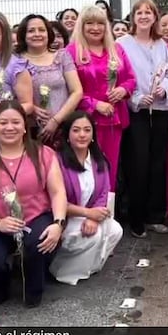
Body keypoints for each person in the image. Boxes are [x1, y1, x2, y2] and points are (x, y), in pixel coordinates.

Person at [0, 100, 67, 307]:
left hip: (35, 217)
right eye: (3, 123)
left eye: (16, 122)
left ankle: (34, 286)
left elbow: (57, 192)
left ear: (25, 127)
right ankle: (2, 280)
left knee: (40, 243)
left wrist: (58, 223)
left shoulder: (43, 154)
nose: (10, 127)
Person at [118, 0, 168, 237]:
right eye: (139, 12)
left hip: (160, 110)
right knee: (138, 163)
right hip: (137, 111)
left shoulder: (161, 43)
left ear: (155, 17)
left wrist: (164, 88)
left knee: (158, 163)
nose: (143, 16)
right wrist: (135, 98)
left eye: (148, 12)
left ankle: (155, 215)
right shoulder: (122, 43)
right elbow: (118, 76)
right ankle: (136, 217)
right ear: (133, 17)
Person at [67, 5, 136, 189]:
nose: (95, 28)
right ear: (81, 26)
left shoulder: (117, 49)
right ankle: (86, 212)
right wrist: (94, 104)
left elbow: (131, 78)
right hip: (85, 121)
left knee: (110, 168)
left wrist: (123, 90)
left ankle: (107, 212)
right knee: (86, 168)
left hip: (114, 120)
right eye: (89, 23)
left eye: (100, 23)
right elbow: (70, 89)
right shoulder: (71, 51)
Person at [50, 111, 123, 284]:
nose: (82, 135)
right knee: (93, 236)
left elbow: (104, 191)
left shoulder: (99, 160)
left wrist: (94, 217)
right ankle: (63, 271)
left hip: (90, 214)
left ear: (92, 135)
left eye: (86, 130)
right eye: (76, 130)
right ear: (67, 135)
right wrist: (88, 213)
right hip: (65, 217)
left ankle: (89, 267)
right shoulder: (57, 161)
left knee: (115, 230)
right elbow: (54, 200)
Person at [16, 14, 82, 147]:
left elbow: (77, 91)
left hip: (63, 127)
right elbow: (9, 94)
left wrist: (56, 121)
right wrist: (31, 108)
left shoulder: (62, 56)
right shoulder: (16, 61)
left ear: (48, 33)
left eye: (41, 30)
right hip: (29, 128)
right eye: (31, 31)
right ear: (23, 35)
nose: (37, 34)